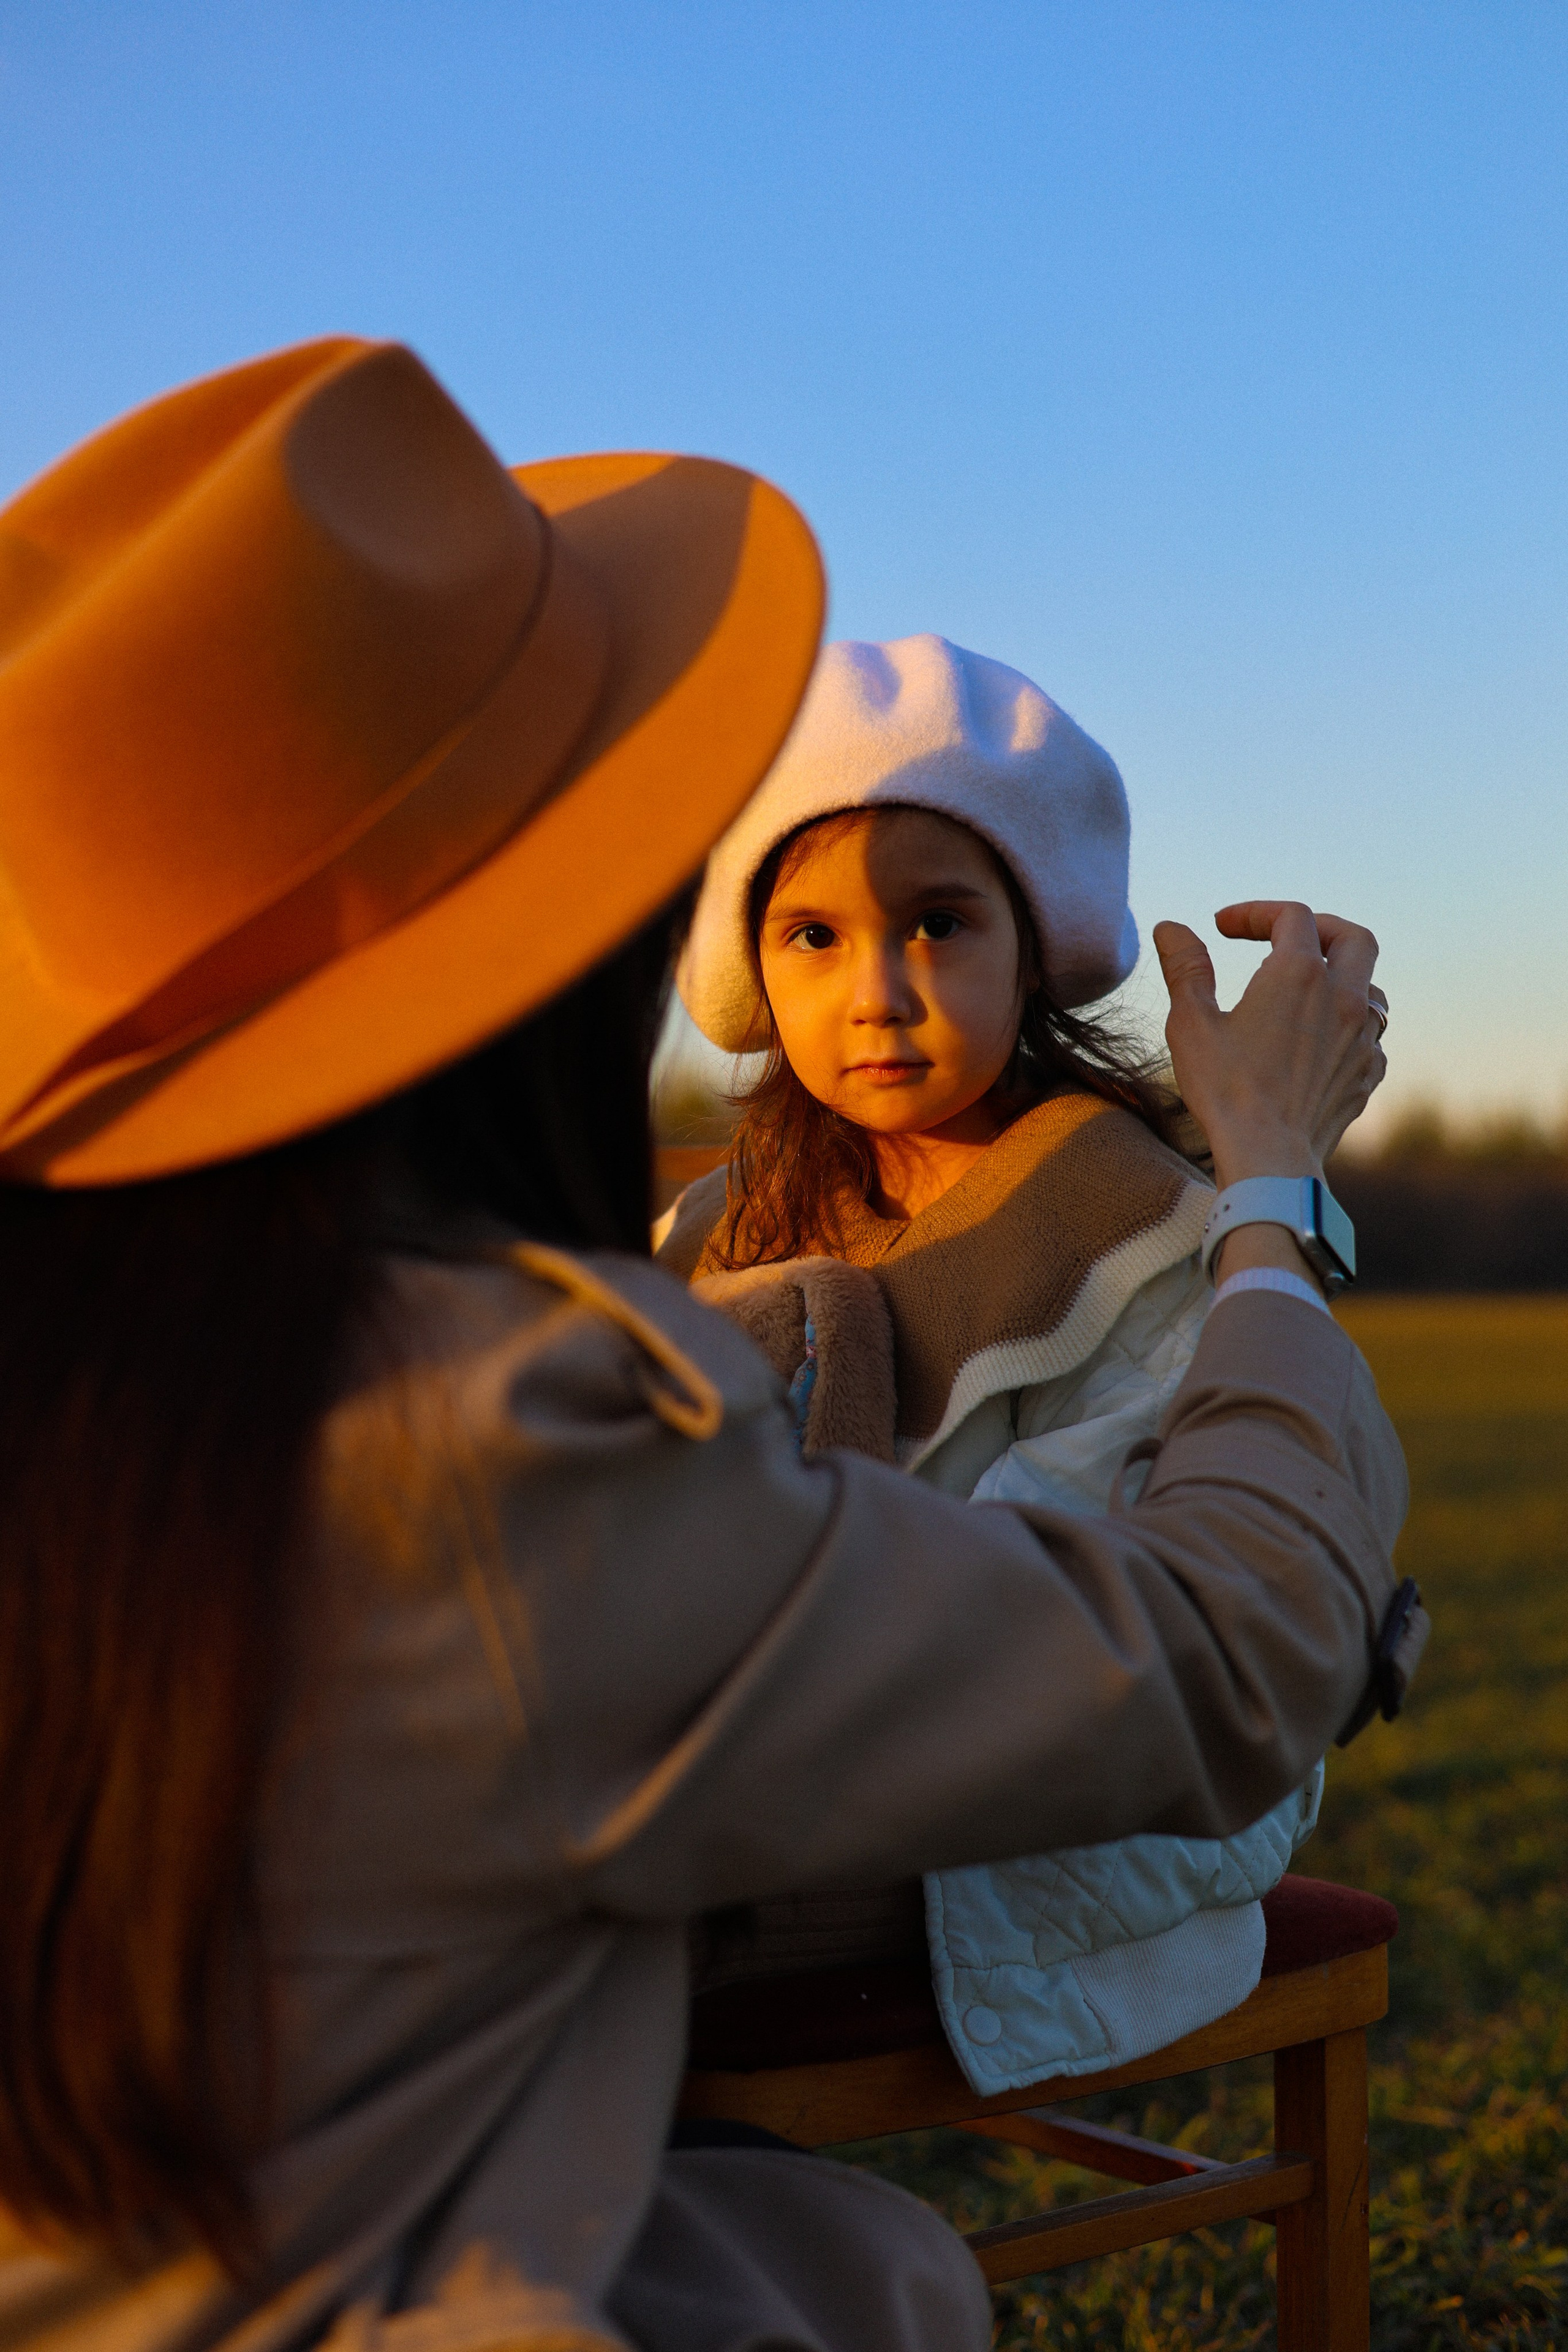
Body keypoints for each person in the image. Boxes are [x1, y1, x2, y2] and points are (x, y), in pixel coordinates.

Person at [0, 337, 1413, 2352]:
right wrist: (1273, 1183)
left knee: (853, 2264)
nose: (880, 992)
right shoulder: (495, 1434)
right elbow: (1231, 1647)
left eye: (946, 920)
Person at [659, 635, 1366, 2095]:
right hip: (784, 1748)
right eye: (813, 937)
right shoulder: (710, 1228)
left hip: (1060, 1788)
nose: (877, 993)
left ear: (1029, 941)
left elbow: (1108, 1622)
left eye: (935, 925)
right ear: (750, 968)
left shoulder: (1142, 1221)